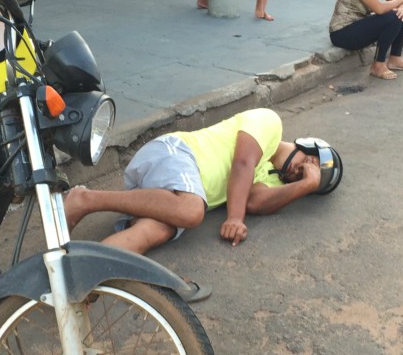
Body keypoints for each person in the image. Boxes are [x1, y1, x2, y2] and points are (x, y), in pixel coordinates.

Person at [64, 108, 341, 265]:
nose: (298, 171)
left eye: (304, 174)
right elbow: (243, 163)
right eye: (309, 161)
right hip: (175, 153)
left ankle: (82, 270)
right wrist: (234, 217)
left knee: (153, 232)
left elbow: (255, 202)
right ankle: (85, 199)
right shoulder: (270, 123)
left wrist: (305, 186)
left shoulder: (270, 178)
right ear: (307, 144)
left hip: (176, 191)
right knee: (192, 211)